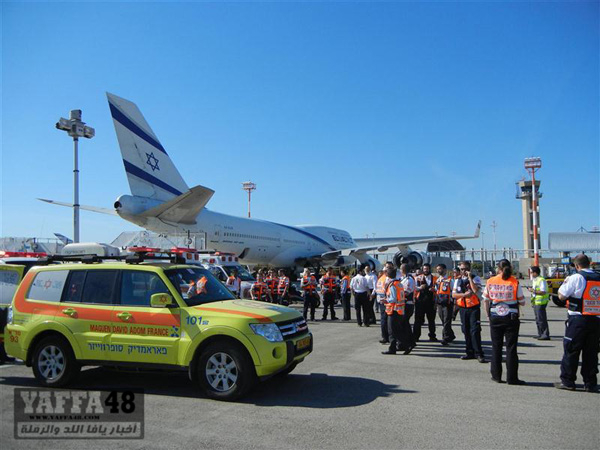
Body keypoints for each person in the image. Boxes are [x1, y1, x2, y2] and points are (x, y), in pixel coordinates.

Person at [554, 254, 600, 393]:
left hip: (578, 319)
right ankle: (590, 383)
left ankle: (568, 381)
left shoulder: (576, 277)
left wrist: (565, 283)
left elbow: (561, 296)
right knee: (591, 353)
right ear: (589, 264)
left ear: (576, 265)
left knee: (571, 350)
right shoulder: (598, 277)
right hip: (596, 319)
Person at [483, 259, 526, 385]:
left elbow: (486, 299)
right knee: (511, 348)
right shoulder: (514, 281)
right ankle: (512, 378)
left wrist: (488, 315)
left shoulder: (491, 281)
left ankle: (496, 375)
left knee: (496, 347)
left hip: (495, 316)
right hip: (511, 317)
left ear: (498, 268)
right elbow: (522, 301)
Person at [453, 261, 487, 363]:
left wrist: (470, 278)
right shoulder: (457, 280)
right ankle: (469, 352)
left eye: (465, 269)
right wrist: (464, 295)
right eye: (461, 269)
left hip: (473, 308)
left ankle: (479, 353)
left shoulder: (475, 278)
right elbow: (454, 295)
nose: (463, 271)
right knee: (465, 330)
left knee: (475, 330)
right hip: (463, 308)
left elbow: (475, 290)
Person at [381, 267, 406, 355]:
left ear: (387, 274)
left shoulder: (392, 285)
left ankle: (392, 348)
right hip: (399, 310)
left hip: (393, 310)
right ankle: (404, 345)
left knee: (391, 331)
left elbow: (393, 298)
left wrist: (385, 300)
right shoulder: (399, 283)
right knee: (397, 330)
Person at [414, 263, 438, 342]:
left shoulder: (435, 278)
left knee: (431, 320)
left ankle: (432, 336)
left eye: (427, 269)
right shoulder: (417, 278)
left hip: (431, 302)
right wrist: (419, 288)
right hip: (420, 302)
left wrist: (434, 290)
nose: (425, 270)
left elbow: (438, 289)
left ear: (429, 269)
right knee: (418, 320)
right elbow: (414, 288)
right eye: (424, 269)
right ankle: (416, 336)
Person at [435, 264, 456, 346]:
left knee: (447, 321)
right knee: (443, 320)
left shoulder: (450, 280)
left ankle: (445, 338)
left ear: (445, 270)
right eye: (437, 269)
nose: (438, 271)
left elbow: (453, 291)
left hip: (448, 303)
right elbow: (437, 290)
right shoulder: (438, 280)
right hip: (440, 303)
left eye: (440, 269)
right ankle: (451, 335)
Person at [528, 266, 550, 340]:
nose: (531, 274)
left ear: (535, 273)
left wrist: (533, 291)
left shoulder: (541, 280)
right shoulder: (535, 280)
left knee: (541, 319)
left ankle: (545, 334)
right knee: (538, 319)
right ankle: (540, 334)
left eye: (532, 272)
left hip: (541, 302)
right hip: (536, 302)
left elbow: (543, 292)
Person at [399, 263, 416, 353]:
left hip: (407, 304)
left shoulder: (409, 280)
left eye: (400, 269)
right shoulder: (403, 279)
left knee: (405, 324)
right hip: (403, 304)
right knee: (403, 324)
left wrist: (397, 296)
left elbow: (406, 292)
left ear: (403, 270)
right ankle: (406, 343)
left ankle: (409, 343)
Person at [375, 269, 389, 343]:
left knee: (383, 320)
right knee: (388, 320)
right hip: (386, 301)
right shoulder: (387, 279)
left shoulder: (380, 279)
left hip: (381, 301)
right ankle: (388, 337)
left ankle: (384, 337)